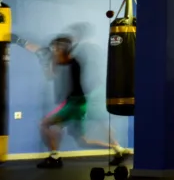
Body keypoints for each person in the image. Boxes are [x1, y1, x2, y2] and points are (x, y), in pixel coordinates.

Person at [13, 34, 131, 169]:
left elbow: (50, 74)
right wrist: (19, 41)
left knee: (44, 124)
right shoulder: (67, 60)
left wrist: (47, 62)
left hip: (74, 104)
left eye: (56, 49)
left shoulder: (72, 63)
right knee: (82, 141)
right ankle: (119, 150)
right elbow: (42, 53)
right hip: (78, 103)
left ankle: (54, 157)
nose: (54, 51)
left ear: (62, 50)